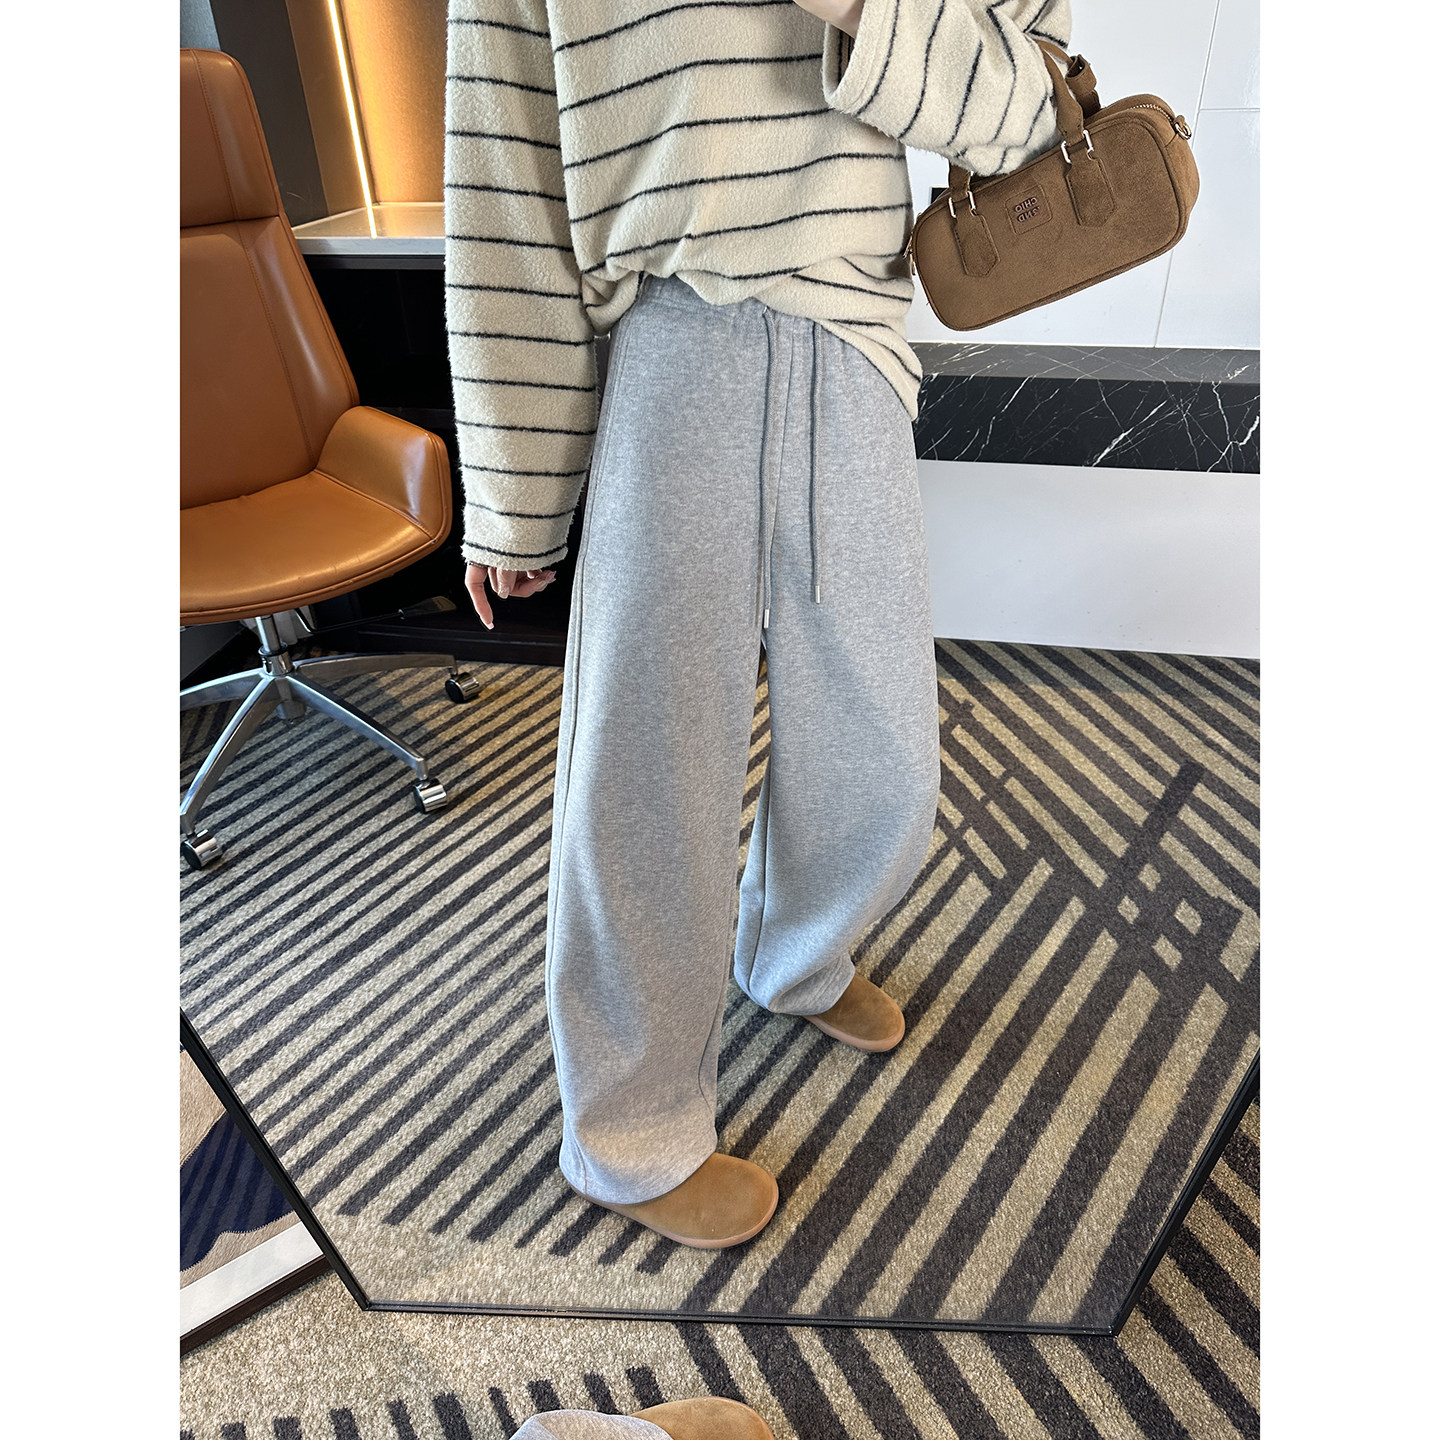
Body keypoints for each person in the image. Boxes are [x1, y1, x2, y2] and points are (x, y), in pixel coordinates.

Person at [445, 0, 1071, 1246]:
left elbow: (1033, 112)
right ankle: (630, 1136)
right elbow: (505, 172)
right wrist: (516, 491)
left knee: (886, 760)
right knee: (646, 782)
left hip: (855, 340)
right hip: (670, 336)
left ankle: (792, 954)